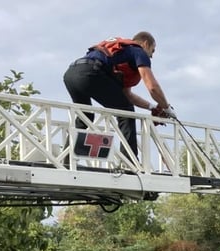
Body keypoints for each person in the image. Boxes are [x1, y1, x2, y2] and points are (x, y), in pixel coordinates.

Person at [63, 31, 175, 159]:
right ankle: (130, 162)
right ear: (145, 44)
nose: (151, 56)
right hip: (90, 74)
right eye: (152, 51)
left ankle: (66, 160)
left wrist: (153, 107)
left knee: (85, 116)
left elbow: (128, 96)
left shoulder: (122, 53)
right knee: (126, 113)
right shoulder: (138, 51)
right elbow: (153, 88)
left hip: (71, 74)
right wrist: (166, 107)